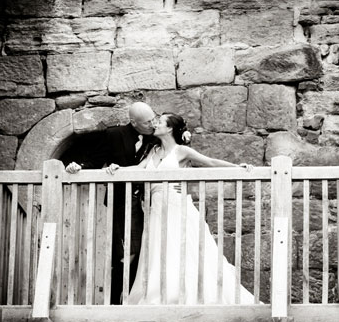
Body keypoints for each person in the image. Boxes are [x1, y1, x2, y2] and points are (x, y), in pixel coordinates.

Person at [105, 113, 256, 305]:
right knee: (158, 249)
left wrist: (239, 167)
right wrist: (116, 169)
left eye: (159, 122)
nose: (155, 124)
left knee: (182, 248)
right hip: (156, 208)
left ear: (169, 128)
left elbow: (210, 162)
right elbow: (138, 168)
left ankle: (185, 295)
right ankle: (160, 296)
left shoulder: (181, 151)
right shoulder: (153, 151)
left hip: (176, 205)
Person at [65, 101, 159, 304]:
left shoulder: (156, 136)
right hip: (122, 202)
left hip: (152, 201)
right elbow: (95, 161)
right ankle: (116, 302)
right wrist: (76, 167)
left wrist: (185, 135)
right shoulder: (114, 135)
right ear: (133, 122)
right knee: (127, 254)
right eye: (147, 122)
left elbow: (175, 136)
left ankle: (141, 299)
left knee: (148, 252)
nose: (152, 124)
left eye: (153, 119)